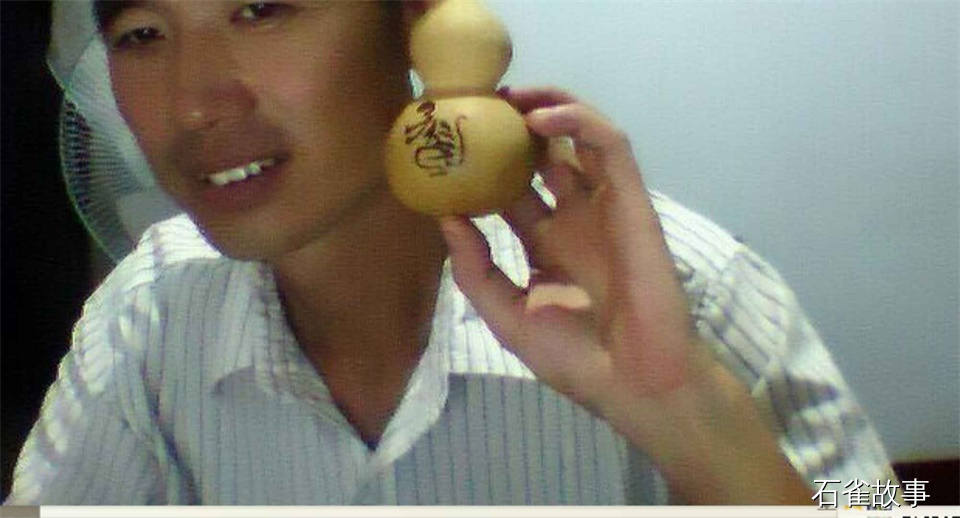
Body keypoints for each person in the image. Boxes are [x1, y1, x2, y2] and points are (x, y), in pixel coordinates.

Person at [7, 0, 897, 505]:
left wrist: (687, 413)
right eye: (142, 35)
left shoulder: (677, 285)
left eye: (261, 8)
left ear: (416, 22)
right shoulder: (150, 312)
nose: (195, 103)